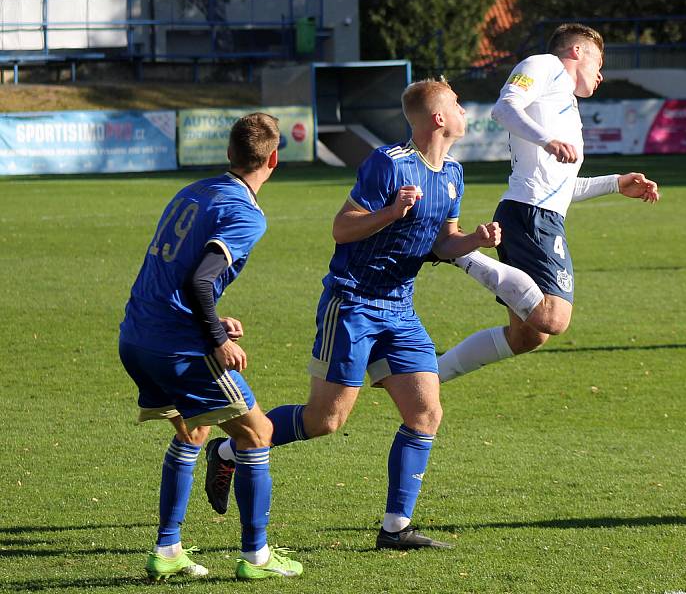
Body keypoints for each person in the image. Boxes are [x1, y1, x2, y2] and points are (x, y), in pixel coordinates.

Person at [204, 80, 501, 550]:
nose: (465, 110)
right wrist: (392, 211)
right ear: (439, 117)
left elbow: (444, 243)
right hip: (354, 303)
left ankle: (395, 529)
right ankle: (226, 449)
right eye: (458, 104)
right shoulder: (388, 164)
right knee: (326, 421)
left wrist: (475, 240)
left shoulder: (454, 175)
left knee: (426, 412)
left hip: (400, 308)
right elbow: (342, 229)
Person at [118, 112, 303, 581]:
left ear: (228, 153)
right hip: (177, 347)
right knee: (256, 434)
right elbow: (200, 280)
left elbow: (173, 274)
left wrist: (212, 320)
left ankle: (168, 550)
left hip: (137, 335)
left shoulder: (193, 191)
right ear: (274, 158)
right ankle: (257, 557)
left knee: (193, 431)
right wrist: (216, 338)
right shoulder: (244, 213)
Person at [436, 23, 660, 383]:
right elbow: (504, 108)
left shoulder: (564, 103)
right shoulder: (542, 65)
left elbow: (560, 186)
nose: (600, 76)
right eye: (598, 64)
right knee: (554, 318)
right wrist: (547, 140)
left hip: (538, 213)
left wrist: (616, 184)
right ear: (577, 52)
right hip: (530, 214)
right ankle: (458, 252)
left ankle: (429, 374)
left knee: (528, 335)